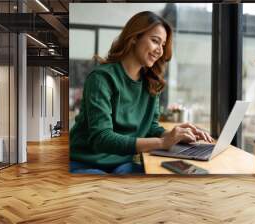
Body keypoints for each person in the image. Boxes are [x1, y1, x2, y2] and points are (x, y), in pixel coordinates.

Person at [69, 11, 213, 175]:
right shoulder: (101, 78)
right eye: (155, 41)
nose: (160, 50)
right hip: (85, 162)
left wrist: (175, 135)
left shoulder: (151, 82)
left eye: (163, 45)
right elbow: (101, 138)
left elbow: (150, 127)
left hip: (122, 163)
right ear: (134, 37)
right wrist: (162, 142)